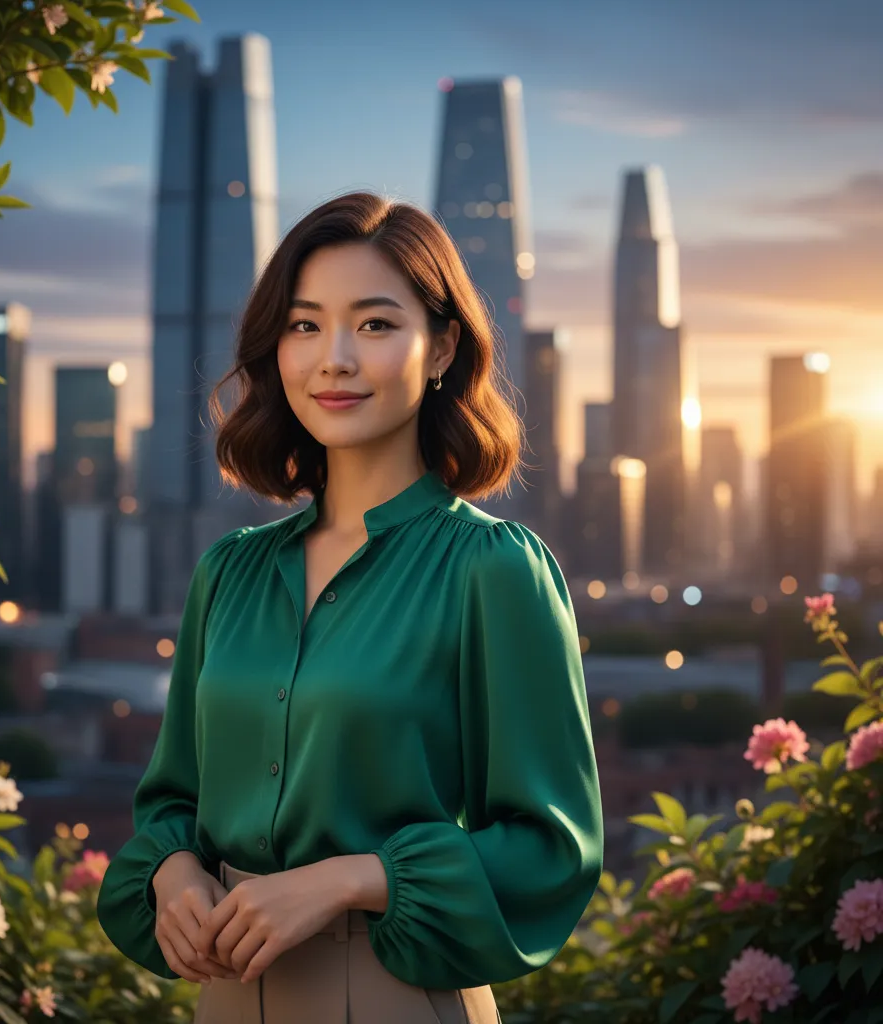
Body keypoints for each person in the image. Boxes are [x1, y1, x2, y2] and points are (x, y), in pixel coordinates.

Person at [96, 191, 603, 1024]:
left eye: (374, 324)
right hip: (224, 997)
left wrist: (349, 880)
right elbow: (171, 800)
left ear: (440, 348)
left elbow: (551, 846)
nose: (333, 358)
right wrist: (172, 871)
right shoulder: (229, 572)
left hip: (395, 992)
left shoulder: (493, 570)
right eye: (304, 325)